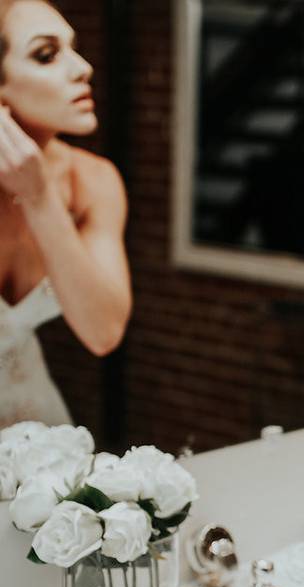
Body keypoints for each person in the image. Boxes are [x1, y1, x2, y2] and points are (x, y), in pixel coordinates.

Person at [0, 0, 130, 429]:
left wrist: (39, 198)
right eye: (46, 54)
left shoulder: (93, 180)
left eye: (73, 48)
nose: (82, 68)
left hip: (40, 430)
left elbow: (103, 332)